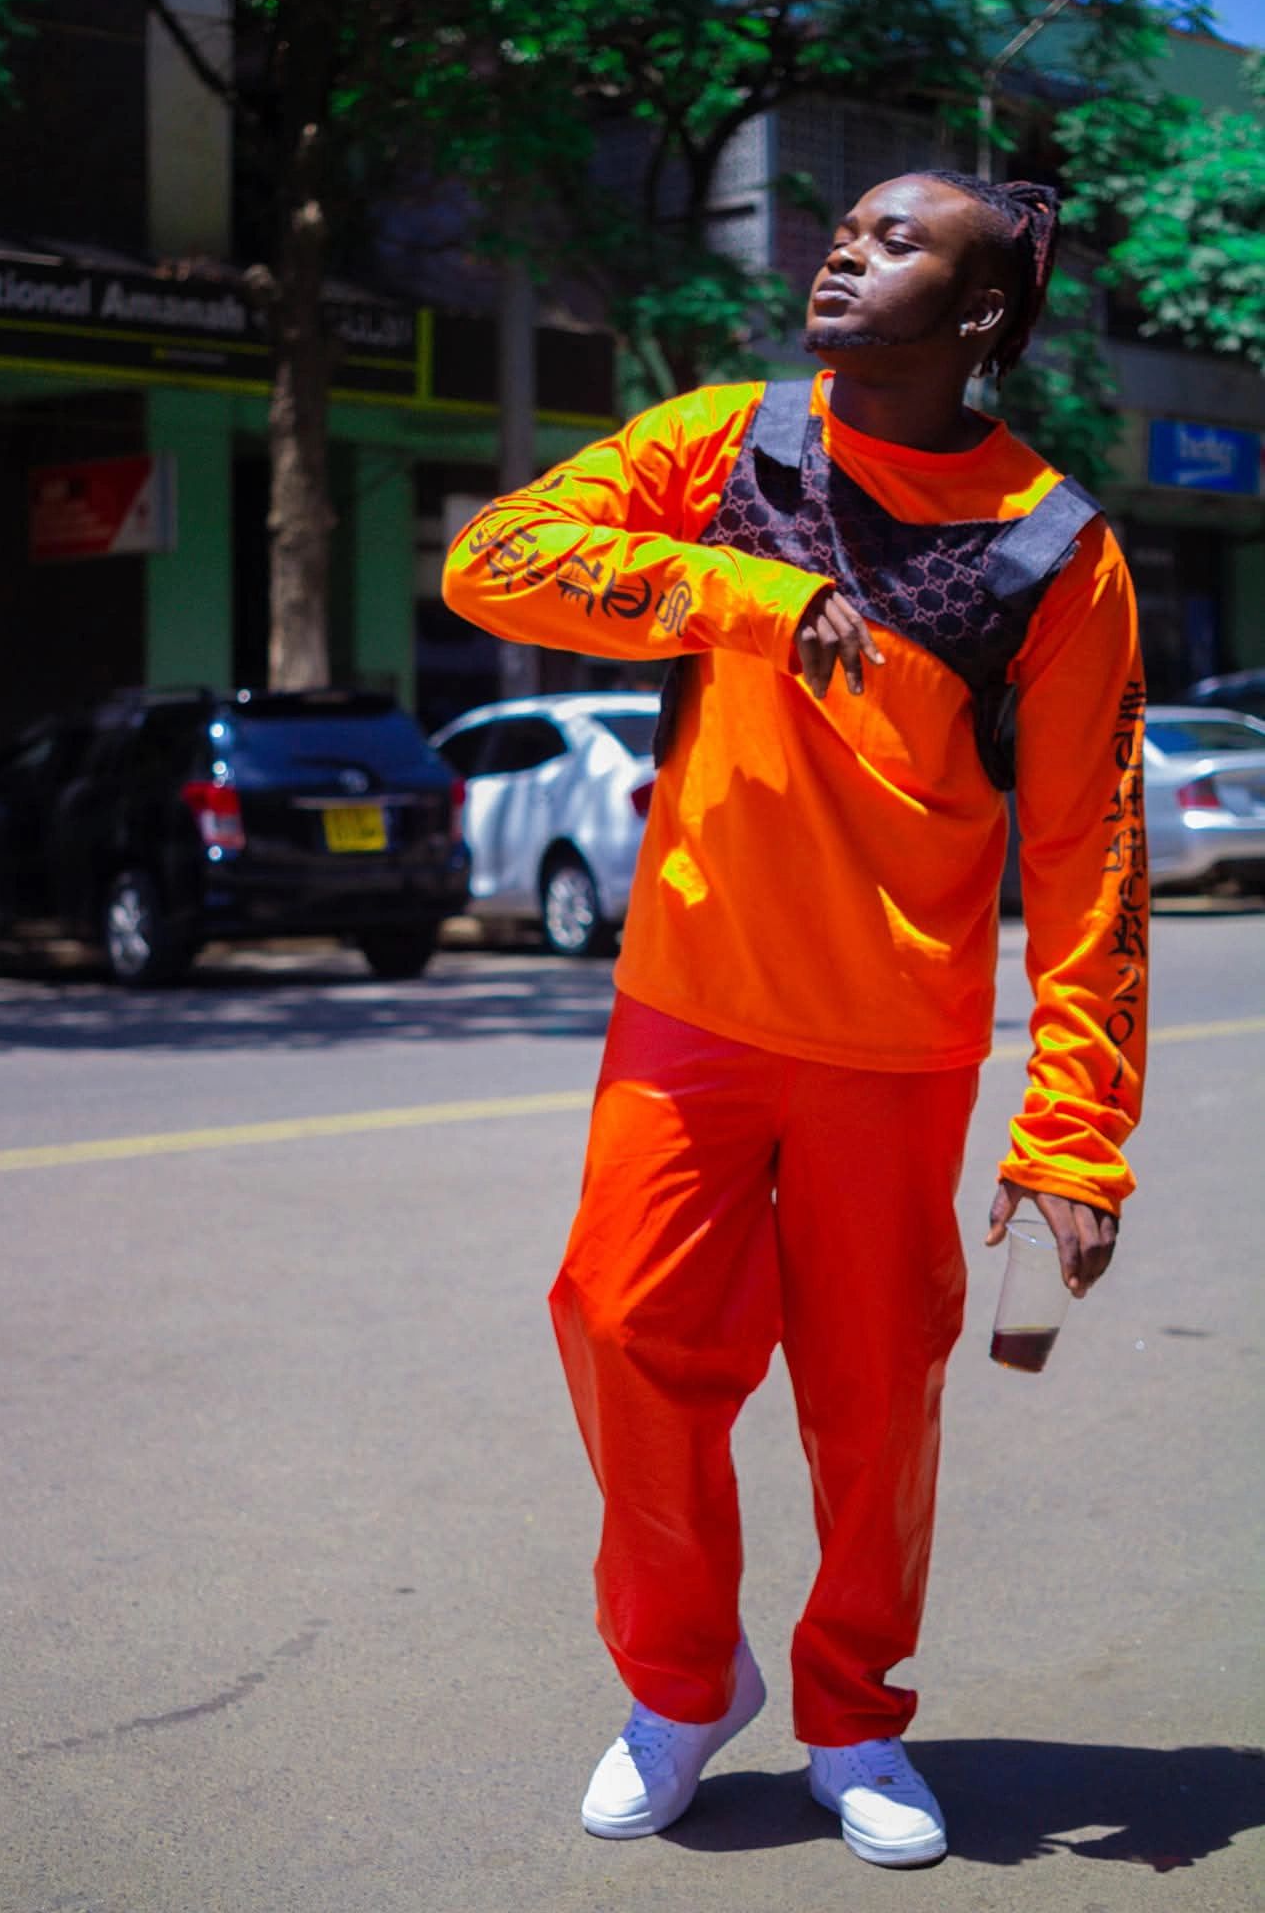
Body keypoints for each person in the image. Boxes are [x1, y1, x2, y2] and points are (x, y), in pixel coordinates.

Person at [441, 170, 1147, 1869]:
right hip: (685, 1009)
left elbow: (1088, 860)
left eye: (896, 240)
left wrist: (1074, 1132)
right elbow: (492, 561)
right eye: (841, 226)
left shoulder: (1054, 548)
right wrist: (740, 597)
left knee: (870, 1402)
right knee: (620, 1335)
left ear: (981, 316)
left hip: (891, 1050)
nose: (842, 247)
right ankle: (683, 1687)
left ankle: (853, 1713)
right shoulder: (719, 447)